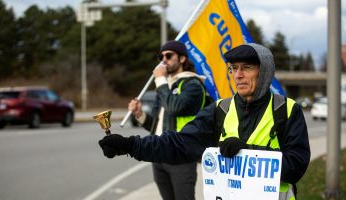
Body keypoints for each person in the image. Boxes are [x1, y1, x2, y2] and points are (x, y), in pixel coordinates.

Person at [99, 43, 311, 200]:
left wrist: (245, 152)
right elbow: (179, 143)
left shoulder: (287, 109)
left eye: (246, 67)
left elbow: (297, 165)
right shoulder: (219, 110)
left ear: (264, 71)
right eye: (233, 68)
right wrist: (129, 145)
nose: (238, 75)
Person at [126, 40, 207, 200]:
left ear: (182, 59)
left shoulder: (193, 84)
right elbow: (157, 125)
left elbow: (175, 107)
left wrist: (160, 80)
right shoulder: (164, 86)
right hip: (160, 155)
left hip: (181, 156)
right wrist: (139, 114)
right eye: (161, 56)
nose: (164, 60)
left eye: (169, 55)